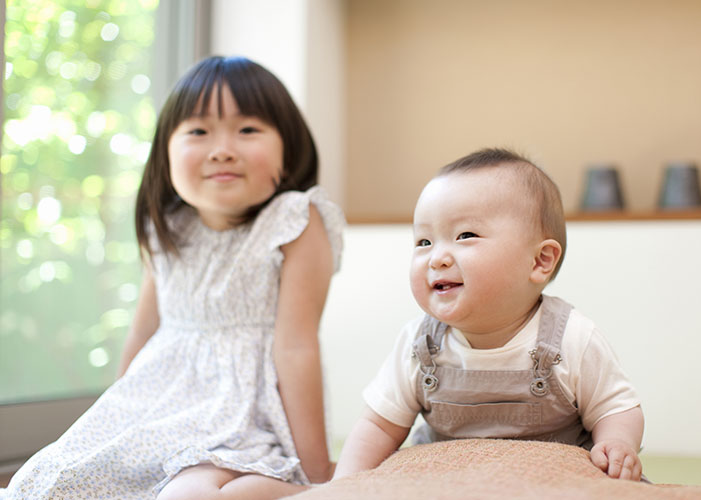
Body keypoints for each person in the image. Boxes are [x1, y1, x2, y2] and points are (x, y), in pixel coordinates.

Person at [2, 56, 344, 500]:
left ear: (288, 148)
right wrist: (113, 421)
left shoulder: (295, 220)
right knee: (47, 479)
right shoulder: (168, 225)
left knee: (188, 494)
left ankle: (287, 485)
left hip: (242, 416)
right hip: (159, 411)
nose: (223, 149)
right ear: (166, 151)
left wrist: (316, 471)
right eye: (199, 132)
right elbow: (143, 332)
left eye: (247, 130)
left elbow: (296, 346)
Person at [333, 148, 645, 482]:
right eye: (424, 241)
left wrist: (616, 442)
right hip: (449, 483)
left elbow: (616, 408)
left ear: (540, 261)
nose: (436, 257)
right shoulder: (419, 344)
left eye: (465, 235)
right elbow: (378, 425)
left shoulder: (571, 338)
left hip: (550, 483)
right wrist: (343, 485)